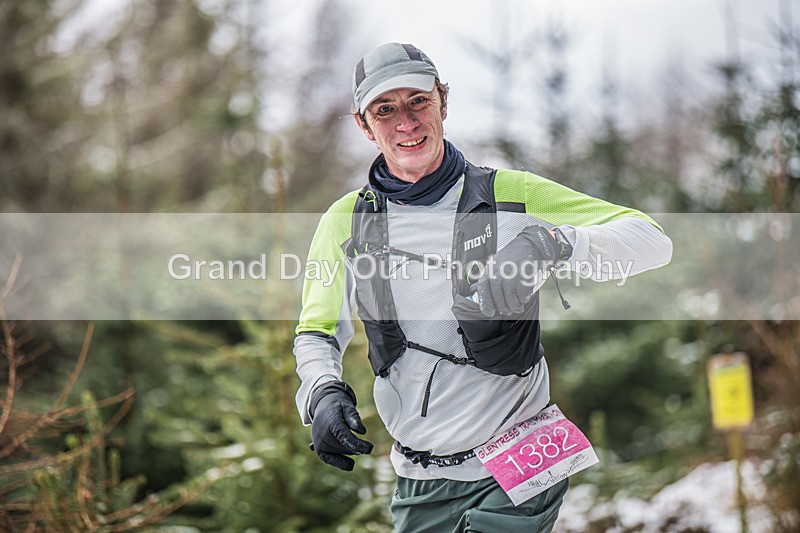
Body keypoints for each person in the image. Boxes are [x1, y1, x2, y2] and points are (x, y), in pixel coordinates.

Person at [293, 42, 672, 532]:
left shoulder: (510, 195)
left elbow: (652, 240)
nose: (406, 122)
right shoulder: (346, 221)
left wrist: (553, 243)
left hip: (522, 454)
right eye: (384, 110)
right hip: (420, 476)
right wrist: (321, 390)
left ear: (443, 103)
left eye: (418, 101)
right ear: (365, 126)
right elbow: (317, 331)